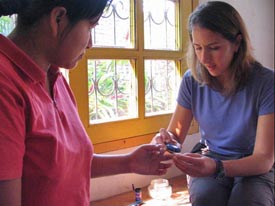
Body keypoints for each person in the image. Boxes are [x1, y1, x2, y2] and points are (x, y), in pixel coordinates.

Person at [0, 1, 172, 206]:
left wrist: (129, 162)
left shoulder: (55, 78)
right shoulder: (6, 86)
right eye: (90, 27)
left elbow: (65, 165)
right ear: (58, 19)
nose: (90, 43)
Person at [153, 1, 274, 206]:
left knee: (246, 201)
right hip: (210, 158)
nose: (204, 58)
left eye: (214, 48)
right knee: (206, 199)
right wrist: (164, 140)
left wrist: (217, 167)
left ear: (237, 43)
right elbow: (175, 135)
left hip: (254, 166)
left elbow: (263, 159)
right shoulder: (192, 80)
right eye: (198, 48)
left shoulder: (266, 83)